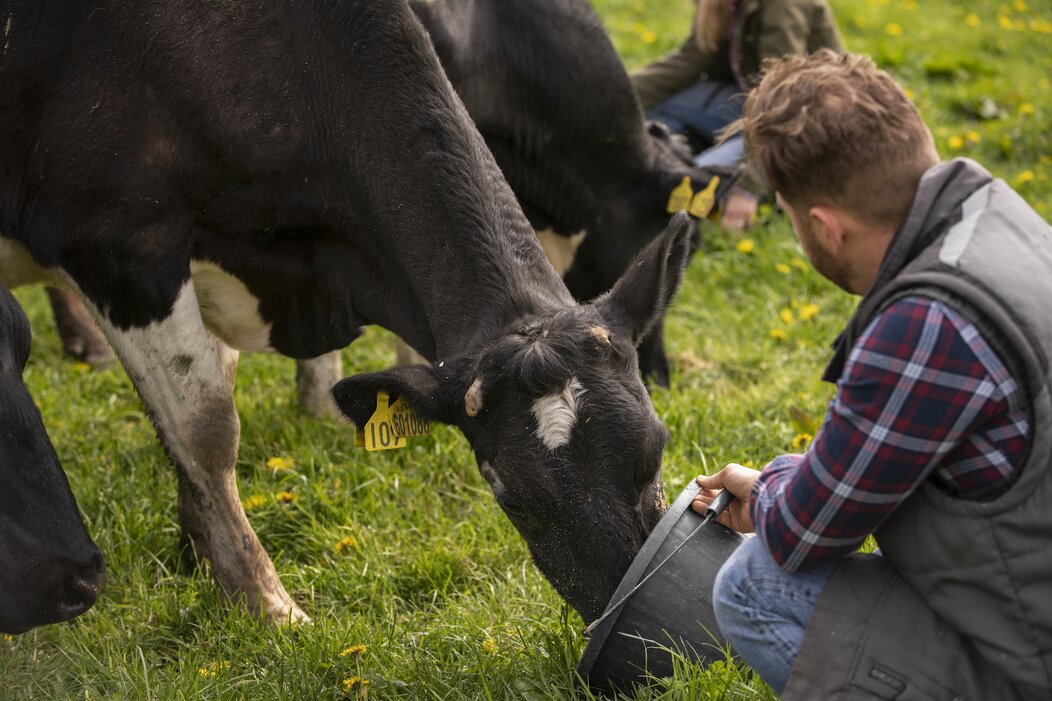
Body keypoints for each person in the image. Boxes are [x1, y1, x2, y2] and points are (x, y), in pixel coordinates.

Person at [692, 49, 1052, 699]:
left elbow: (805, 534)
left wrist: (773, 486)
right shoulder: (1000, 219)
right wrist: (779, 482)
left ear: (825, 228)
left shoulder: (925, 323)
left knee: (755, 585)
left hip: (1036, 648)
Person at [631, 0, 841, 231]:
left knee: (684, 186)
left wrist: (747, 187)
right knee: (659, 106)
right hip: (745, 107)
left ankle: (756, 181)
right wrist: (615, 94)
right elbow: (693, 58)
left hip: (799, 127)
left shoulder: (785, 6)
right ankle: (686, 155)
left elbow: (783, 103)